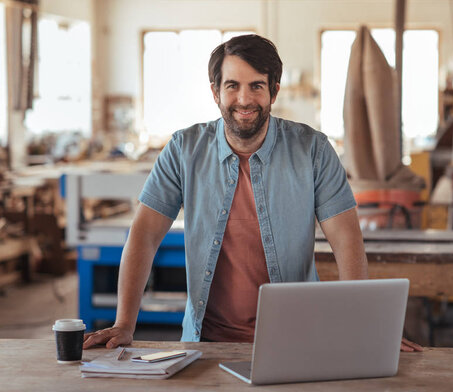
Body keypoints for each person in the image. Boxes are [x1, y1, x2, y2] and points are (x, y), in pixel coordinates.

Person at [83, 34, 422, 352]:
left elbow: (347, 240)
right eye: (232, 86)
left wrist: (362, 325)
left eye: (256, 86)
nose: (244, 99)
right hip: (205, 343)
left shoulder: (313, 150)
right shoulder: (183, 150)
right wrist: (125, 322)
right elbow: (143, 236)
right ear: (215, 92)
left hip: (296, 341)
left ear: (273, 91)